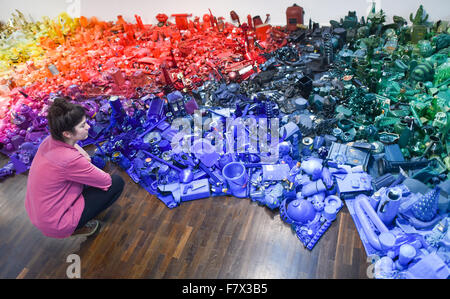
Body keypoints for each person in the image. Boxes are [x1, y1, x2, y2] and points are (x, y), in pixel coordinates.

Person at [25, 97, 124, 238]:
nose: (88, 127)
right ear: (67, 133)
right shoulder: (70, 159)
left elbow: (72, 147)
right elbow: (106, 181)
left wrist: (82, 154)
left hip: (37, 211)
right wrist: (87, 164)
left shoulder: (50, 140)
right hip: (57, 222)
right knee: (116, 182)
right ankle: (78, 226)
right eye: (82, 126)